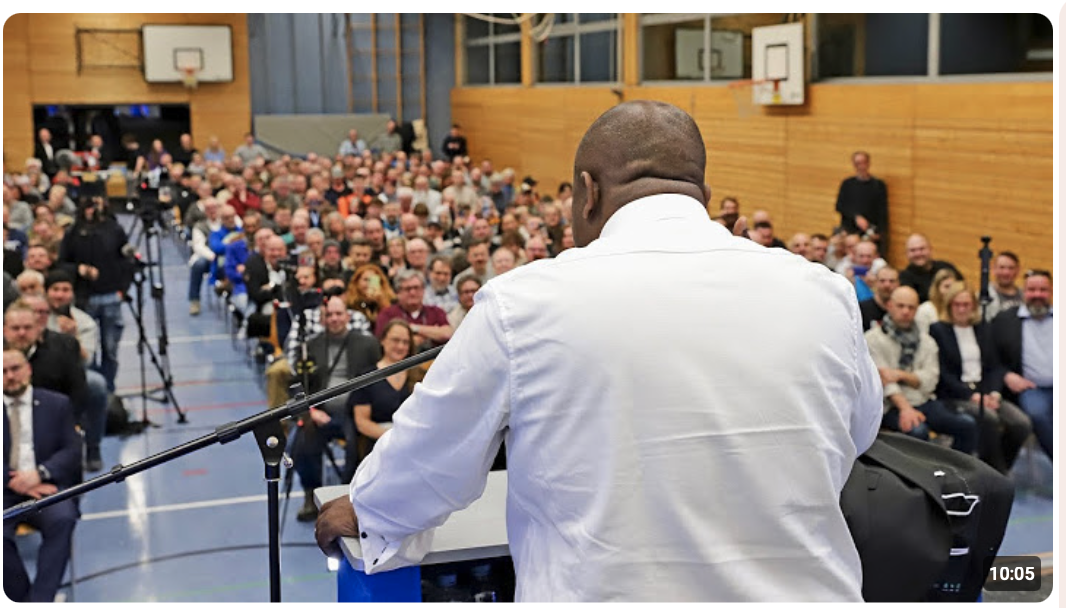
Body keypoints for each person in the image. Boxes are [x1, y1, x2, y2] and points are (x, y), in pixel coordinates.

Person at [315, 100, 883, 602]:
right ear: (703, 196)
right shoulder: (824, 293)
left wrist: (365, 509)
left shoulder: (525, 303)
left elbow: (431, 457)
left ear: (588, 192)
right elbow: (858, 434)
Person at [290, 296, 381, 522]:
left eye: (339, 314)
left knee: (355, 445)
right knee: (301, 441)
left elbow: (379, 378)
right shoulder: (310, 346)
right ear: (323, 319)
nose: (334, 319)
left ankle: (349, 498)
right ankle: (311, 494)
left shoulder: (367, 344)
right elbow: (298, 385)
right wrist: (309, 411)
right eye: (329, 315)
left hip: (356, 410)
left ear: (347, 317)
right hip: (322, 411)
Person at [3, 346, 82, 602]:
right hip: (5, 491)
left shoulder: (57, 403)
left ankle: (40, 601)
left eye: (15, 369)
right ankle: (20, 598)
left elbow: (72, 450)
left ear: (28, 369)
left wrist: (40, 473)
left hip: (45, 489)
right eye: (2, 372)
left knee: (63, 519)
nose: (10, 376)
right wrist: (14, 481)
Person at [929, 284, 1031, 474]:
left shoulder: (984, 328)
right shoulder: (938, 330)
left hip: (986, 392)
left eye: (966, 304)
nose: (961, 309)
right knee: (989, 418)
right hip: (956, 394)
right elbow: (942, 374)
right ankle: (995, 472)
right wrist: (972, 395)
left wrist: (993, 393)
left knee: (1020, 424)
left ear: (974, 306)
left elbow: (994, 367)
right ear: (949, 305)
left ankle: (998, 470)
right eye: (957, 304)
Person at [864, 286, 977, 454]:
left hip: (924, 401)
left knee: (967, 424)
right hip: (889, 406)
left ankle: (954, 473)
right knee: (918, 432)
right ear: (889, 306)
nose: (905, 311)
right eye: (900, 306)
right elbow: (884, 382)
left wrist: (900, 374)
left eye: (911, 307)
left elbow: (930, 380)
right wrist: (905, 408)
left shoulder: (927, 342)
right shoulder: (872, 339)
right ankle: (920, 478)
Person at [56, 197, 132, 392]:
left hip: (111, 296)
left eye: (96, 205)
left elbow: (127, 260)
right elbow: (62, 263)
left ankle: (109, 391)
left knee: (111, 350)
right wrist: (79, 269)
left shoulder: (114, 229)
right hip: (84, 298)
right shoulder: (73, 232)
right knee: (87, 351)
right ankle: (91, 390)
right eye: (88, 206)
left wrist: (123, 289)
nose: (92, 210)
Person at [988, 269, 1053, 460]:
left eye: (1043, 290)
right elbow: (991, 358)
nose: (1037, 295)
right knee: (1038, 415)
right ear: (1023, 292)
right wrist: (1006, 375)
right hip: (1032, 389)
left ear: (1050, 292)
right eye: (1032, 290)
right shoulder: (1004, 320)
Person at [349, 320, 424, 461]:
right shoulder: (366, 377)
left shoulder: (420, 376)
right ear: (382, 340)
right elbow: (362, 422)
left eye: (406, 342)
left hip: (414, 442)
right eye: (395, 340)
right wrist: (392, 438)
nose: (400, 346)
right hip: (378, 443)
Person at [835, 151, 888, 254]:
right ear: (854, 165)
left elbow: (882, 211)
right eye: (858, 163)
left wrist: (880, 232)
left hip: (869, 233)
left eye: (863, 162)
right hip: (850, 231)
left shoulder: (878, 185)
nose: (861, 166)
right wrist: (856, 217)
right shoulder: (847, 184)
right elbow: (839, 206)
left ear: (868, 163)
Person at [899, 234, 961, 305]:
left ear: (930, 249)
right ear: (907, 254)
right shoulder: (904, 278)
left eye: (922, 249)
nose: (918, 253)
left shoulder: (946, 267)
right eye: (913, 250)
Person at [984, 251, 1023, 319]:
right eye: (1002, 267)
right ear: (994, 269)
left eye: (1011, 268)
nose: (1006, 272)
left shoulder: (1025, 296)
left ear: (1017, 270)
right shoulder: (983, 297)